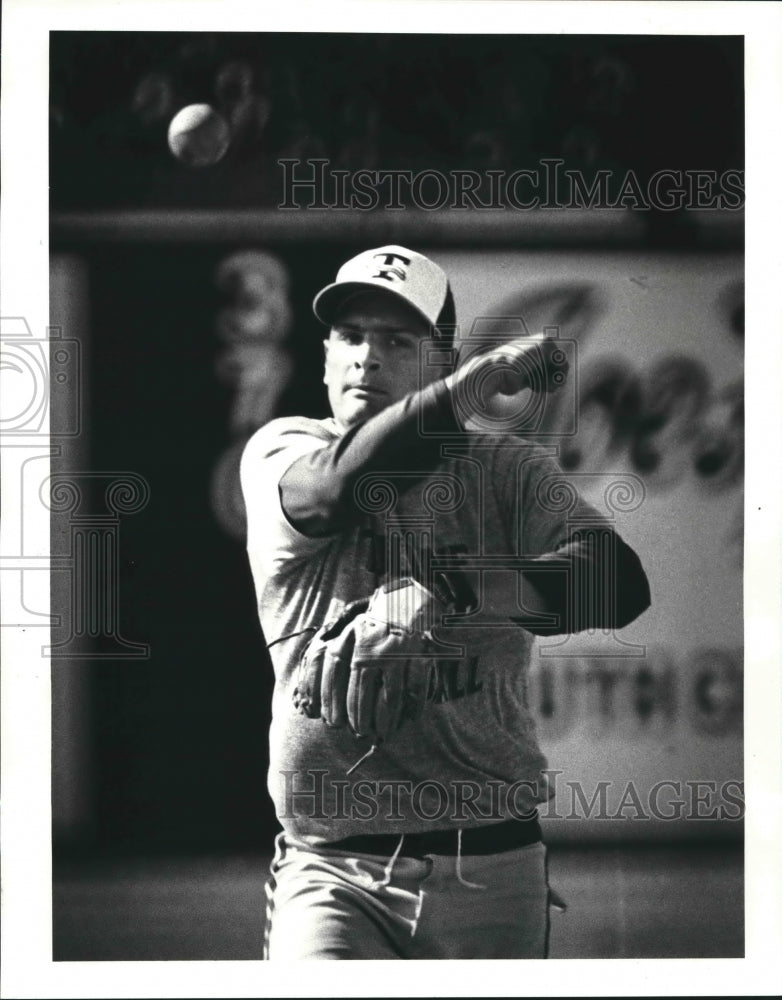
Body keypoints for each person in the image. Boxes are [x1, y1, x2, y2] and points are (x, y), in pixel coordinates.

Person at [240, 245, 651, 960]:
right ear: (327, 354)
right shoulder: (283, 451)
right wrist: (467, 391)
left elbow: (617, 584)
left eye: (396, 340)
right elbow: (337, 490)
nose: (365, 358)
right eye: (350, 335)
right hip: (333, 869)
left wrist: (450, 587)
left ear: (439, 359)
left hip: (490, 860)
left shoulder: (505, 470)